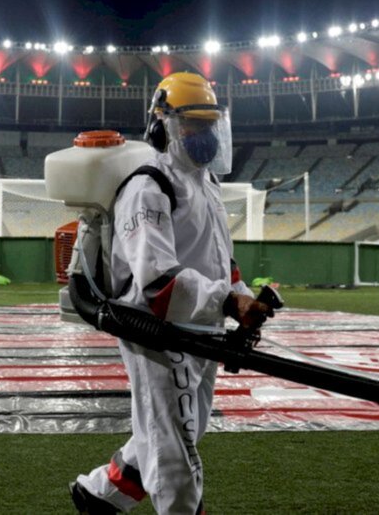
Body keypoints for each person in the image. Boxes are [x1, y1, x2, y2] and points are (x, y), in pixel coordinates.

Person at [69, 72, 272, 515]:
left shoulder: (207, 185)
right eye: (193, 126)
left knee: (183, 430)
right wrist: (228, 301)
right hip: (159, 332)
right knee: (175, 454)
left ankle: (99, 494)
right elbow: (157, 283)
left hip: (201, 327)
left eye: (209, 125)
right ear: (163, 126)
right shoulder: (148, 188)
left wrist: (242, 299)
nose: (204, 136)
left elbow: (222, 262)